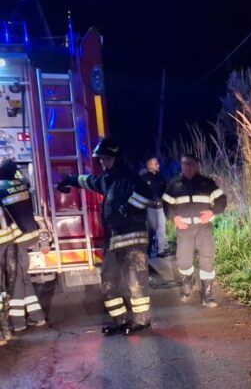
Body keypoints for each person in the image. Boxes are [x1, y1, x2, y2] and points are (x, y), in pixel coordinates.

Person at [57, 138, 154, 336]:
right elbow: (89, 180)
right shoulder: (108, 180)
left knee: (135, 282)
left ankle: (141, 320)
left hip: (133, 239)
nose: (103, 163)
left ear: (117, 158)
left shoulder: (131, 178)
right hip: (114, 241)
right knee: (108, 282)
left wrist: (128, 208)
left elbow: (147, 195)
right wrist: (70, 180)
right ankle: (119, 320)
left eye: (107, 159)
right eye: (101, 160)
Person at [162, 154, 226, 308]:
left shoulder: (207, 183)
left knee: (207, 259)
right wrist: (174, 218)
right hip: (185, 228)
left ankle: (208, 294)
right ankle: (188, 281)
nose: (188, 167)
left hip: (204, 228)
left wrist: (213, 212)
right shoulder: (174, 185)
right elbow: (166, 204)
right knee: (183, 261)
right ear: (181, 166)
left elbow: (221, 200)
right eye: (185, 164)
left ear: (197, 165)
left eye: (191, 164)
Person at [0, 158, 46, 332]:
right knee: (23, 278)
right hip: (30, 235)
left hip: (17, 239)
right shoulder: (22, 183)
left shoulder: (1, 187)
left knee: (16, 281)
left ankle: (18, 322)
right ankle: (37, 316)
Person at [140, 157, 168, 257]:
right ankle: (147, 251)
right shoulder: (143, 179)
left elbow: (166, 191)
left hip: (160, 207)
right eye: (155, 164)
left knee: (162, 228)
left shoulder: (162, 178)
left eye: (158, 163)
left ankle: (161, 250)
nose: (158, 165)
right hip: (149, 208)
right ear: (150, 165)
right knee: (150, 230)